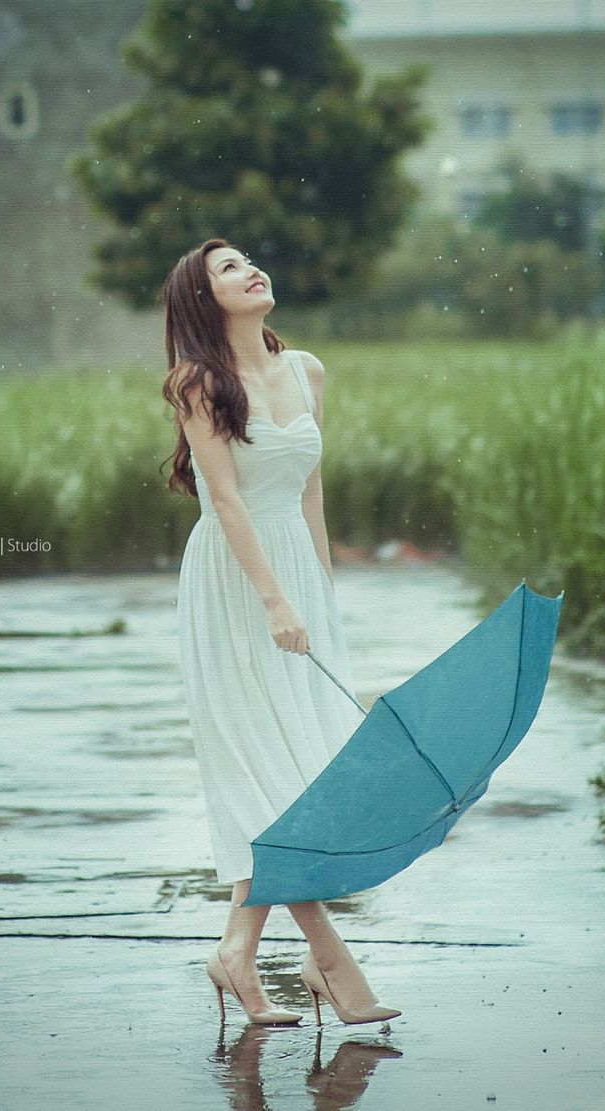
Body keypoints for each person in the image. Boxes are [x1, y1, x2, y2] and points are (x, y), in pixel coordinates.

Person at [162, 237, 401, 1027]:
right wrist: (272, 601)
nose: (250, 270)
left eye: (248, 260)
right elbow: (226, 501)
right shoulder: (198, 382)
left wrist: (319, 592)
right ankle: (329, 958)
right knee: (272, 767)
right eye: (226, 269)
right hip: (236, 582)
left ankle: (237, 950)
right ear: (204, 299)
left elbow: (310, 486)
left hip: (296, 574)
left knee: (311, 759)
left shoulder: (307, 370)